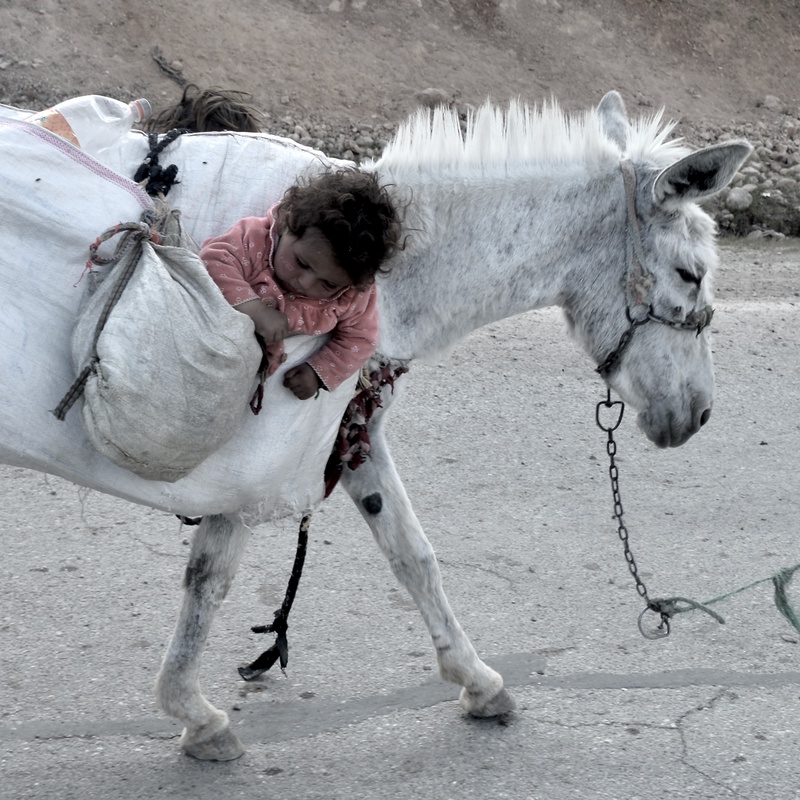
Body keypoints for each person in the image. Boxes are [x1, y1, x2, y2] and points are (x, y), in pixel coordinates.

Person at [200, 167, 402, 402]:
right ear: (287, 222)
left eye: (327, 284)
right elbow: (212, 260)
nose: (305, 283)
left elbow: (361, 338)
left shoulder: (352, 296)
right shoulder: (256, 240)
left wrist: (319, 372)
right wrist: (255, 310)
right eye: (301, 263)